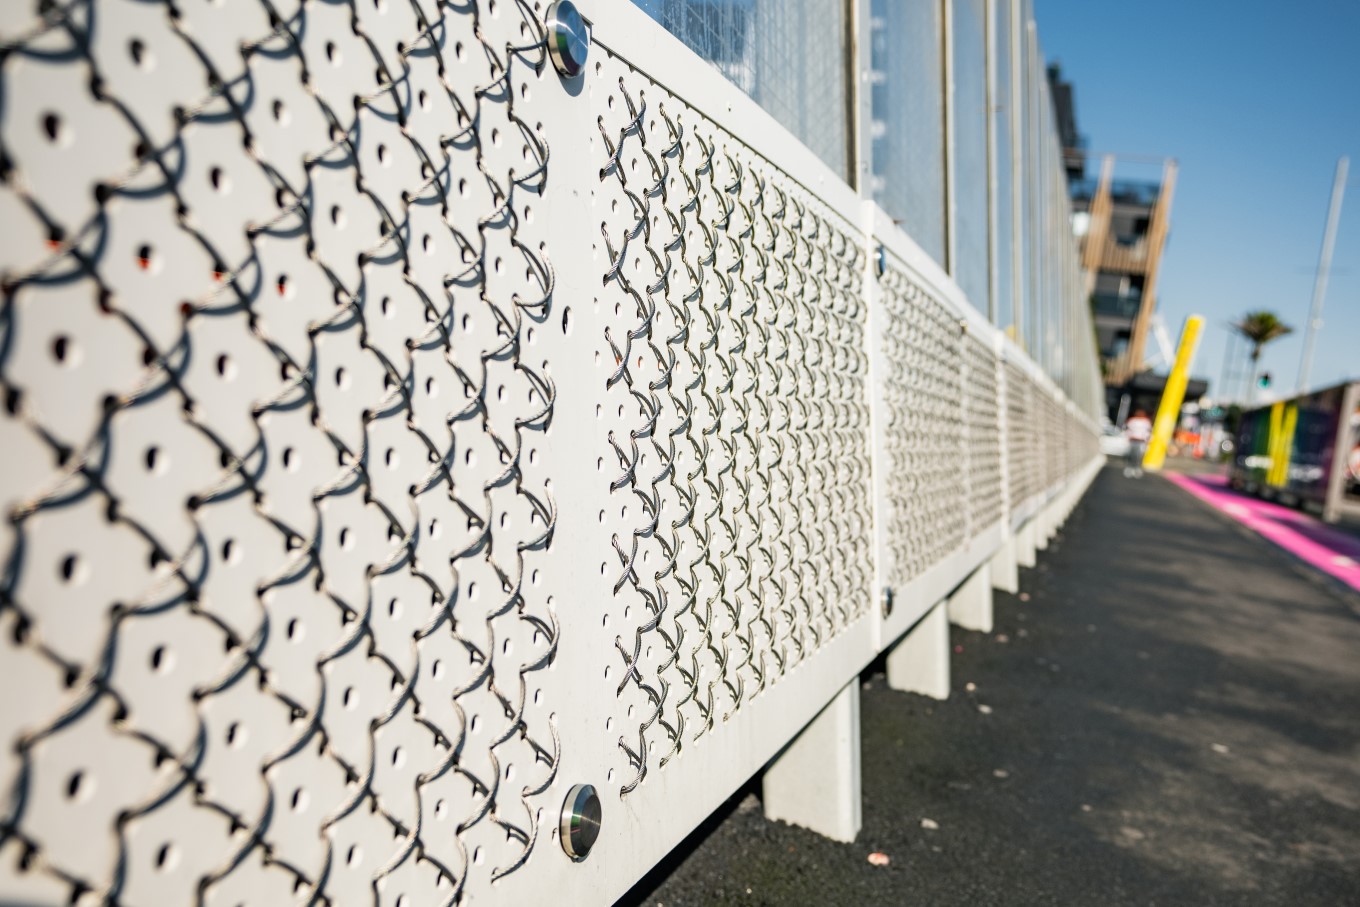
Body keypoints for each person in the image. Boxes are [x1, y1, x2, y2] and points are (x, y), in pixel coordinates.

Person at [1124, 409, 1152, 478]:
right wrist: (1127, 437)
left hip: (1141, 441)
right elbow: (1128, 430)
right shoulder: (1132, 421)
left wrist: (1148, 440)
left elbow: (1148, 432)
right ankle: (1129, 467)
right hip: (1133, 440)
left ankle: (1137, 468)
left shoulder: (1146, 422)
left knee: (1139, 455)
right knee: (1131, 454)